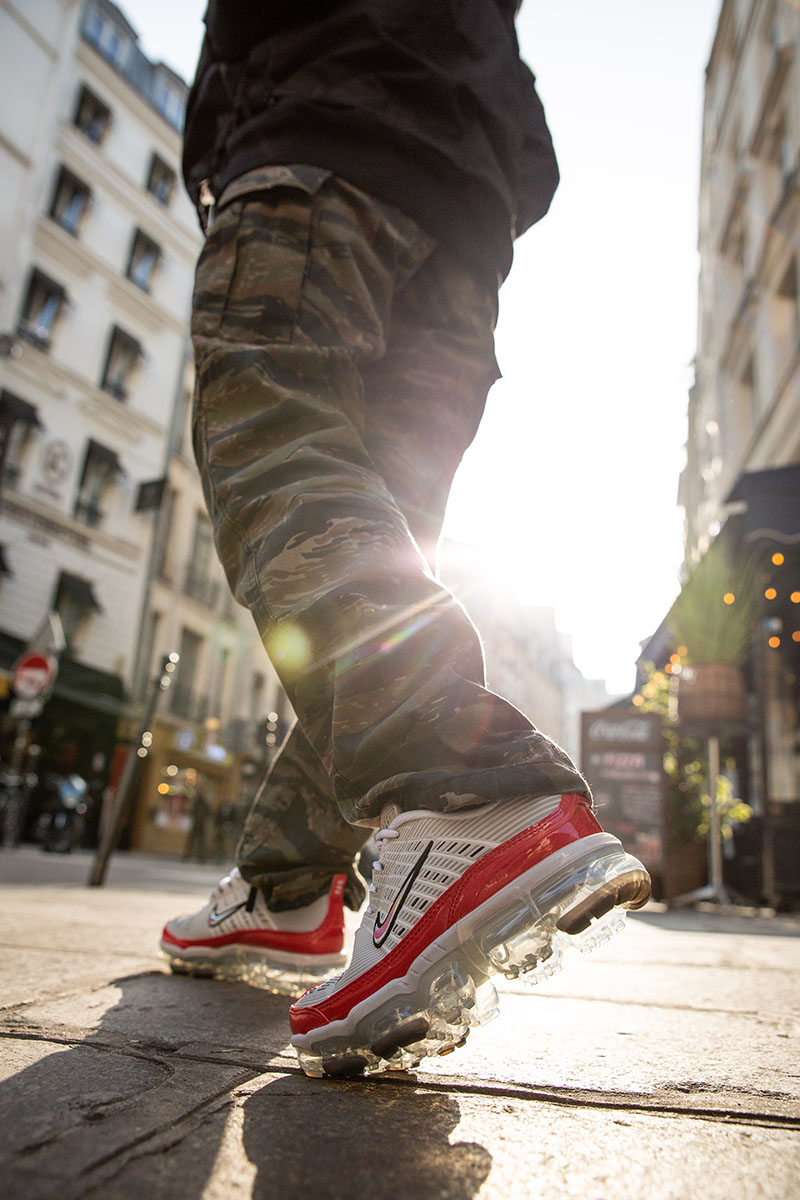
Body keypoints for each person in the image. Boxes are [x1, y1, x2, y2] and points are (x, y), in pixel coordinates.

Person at [161, 0, 651, 1078]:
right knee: (373, 534)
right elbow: (537, 153)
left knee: (270, 425)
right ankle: (287, 887)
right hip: (462, 246)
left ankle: (460, 791)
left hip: (318, 145)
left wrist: (226, 145)